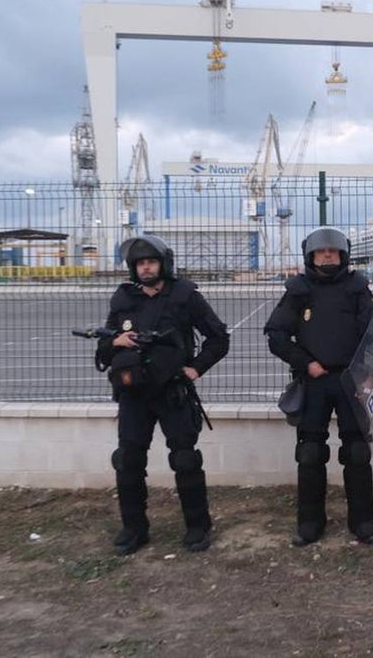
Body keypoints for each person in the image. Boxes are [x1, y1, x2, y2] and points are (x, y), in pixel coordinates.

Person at [95, 235, 230, 555]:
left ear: (163, 264)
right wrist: (117, 342)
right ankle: (134, 529)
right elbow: (103, 345)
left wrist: (196, 368)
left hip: (173, 392)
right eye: (140, 263)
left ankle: (197, 527)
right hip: (133, 394)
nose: (146, 268)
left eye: (151, 262)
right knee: (128, 461)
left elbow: (218, 338)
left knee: (184, 459)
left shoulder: (184, 295)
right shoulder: (123, 298)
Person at [264, 226, 373, 546]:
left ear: (343, 255)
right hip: (314, 380)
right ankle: (310, 523)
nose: (327, 255)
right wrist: (305, 363)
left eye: (333, 250)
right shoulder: (298, 289)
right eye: (321, 251)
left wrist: (369, 373)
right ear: (311, 256)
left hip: (351, 381)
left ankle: (363, 521)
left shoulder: (357, 287)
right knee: (310, 453)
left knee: (357, 452)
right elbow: (275, 335)